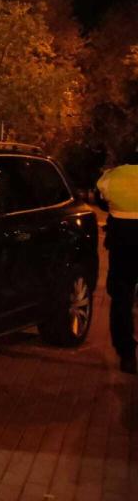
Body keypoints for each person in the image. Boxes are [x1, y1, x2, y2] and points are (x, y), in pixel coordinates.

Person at [96, 147, 138, 374]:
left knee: (121, 296)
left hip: (123, 245)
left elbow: (100, 199)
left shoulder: (112, 177)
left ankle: (127, 354)